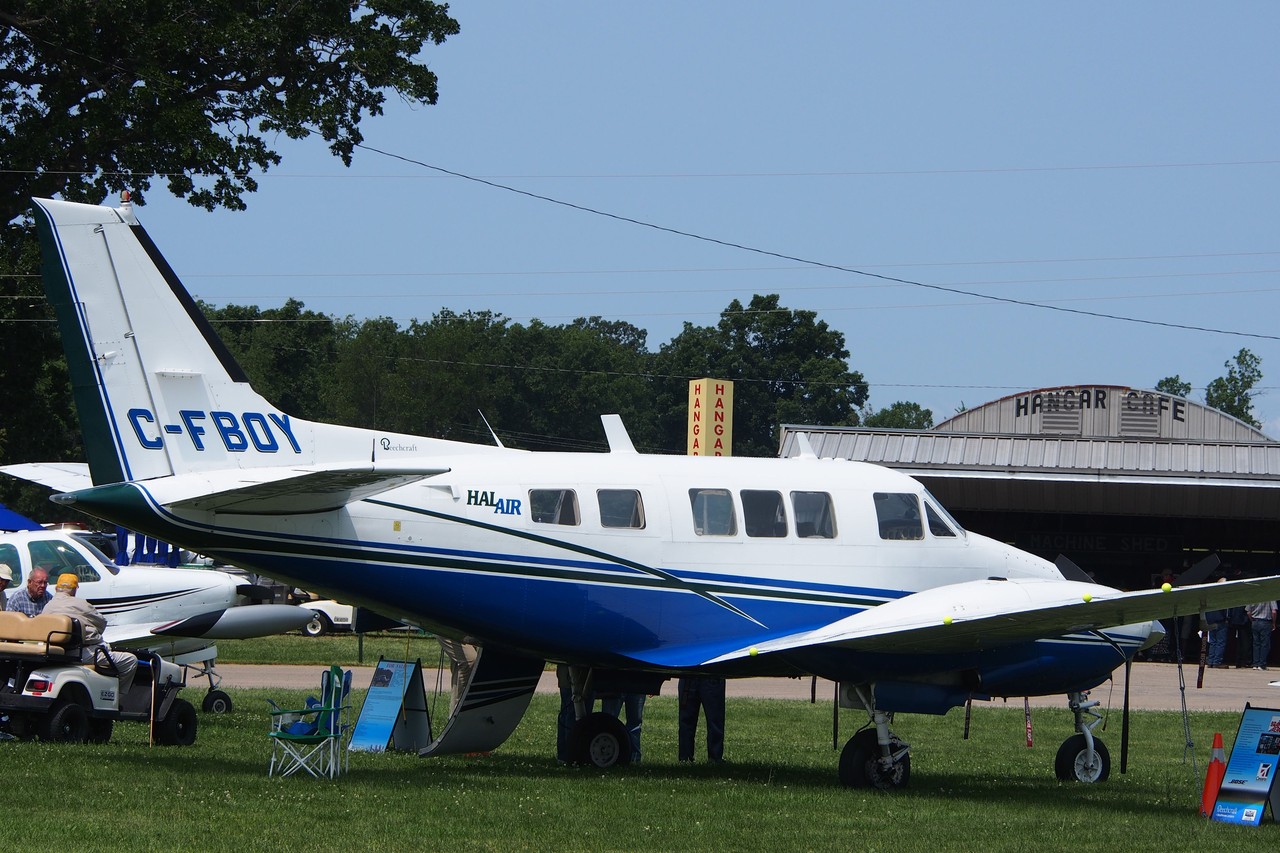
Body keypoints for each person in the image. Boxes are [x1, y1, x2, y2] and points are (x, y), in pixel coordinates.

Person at [42, 573, 137, 693]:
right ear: (75, 589)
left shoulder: (47, 607)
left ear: (56, 588)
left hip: (58, 652)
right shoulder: (81, 604)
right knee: (130, 661)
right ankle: (119, 698)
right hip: (83, 653)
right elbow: (101, 624)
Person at [678, 675, 726, 762]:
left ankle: (686, 757)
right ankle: (715, 758)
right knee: (714, 721)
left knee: (687, 721)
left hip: (691, 675)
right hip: (708, 675)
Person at [601, 692, 646, 763]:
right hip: (614, 685)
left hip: (638, 686)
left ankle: (634, 758)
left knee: (635, 724)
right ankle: (604, 756)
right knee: (608, 723)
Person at [1245, 598, 1277, 671]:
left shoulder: (1254, 597)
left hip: (1255, 621)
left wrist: (1252, 620)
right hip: (1265, 622)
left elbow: (1248, 612)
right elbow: (1274, 611)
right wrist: (1274, 622)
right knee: (1264, 644)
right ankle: (1262, 664)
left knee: (1256, 643)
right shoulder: (1270, 598)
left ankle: (1255, 663)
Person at [1203, 579, 1228, 668]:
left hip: (1210, 620)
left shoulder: (1210, 595)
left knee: (1213, 642)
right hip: (1220, 620)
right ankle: (1217, 661)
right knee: (1220, 642)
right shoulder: (1222, 596)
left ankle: (1211, 661)